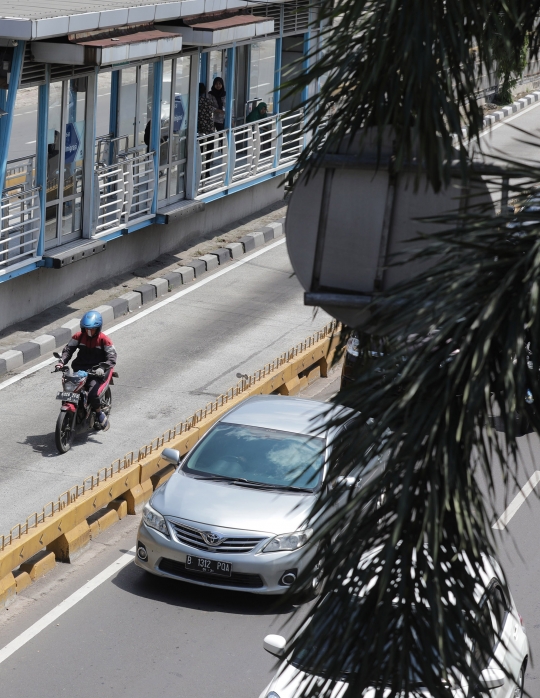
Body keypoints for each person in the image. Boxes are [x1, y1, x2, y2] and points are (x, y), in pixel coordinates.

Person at [55, 310, 117, 431]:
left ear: (98, 328)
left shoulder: (104, 340)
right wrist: (61, 362)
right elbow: (68, 350)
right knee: (69, 389)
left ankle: (99, 413)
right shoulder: (78, 337)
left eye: (92, 329)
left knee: (93, 394)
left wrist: (102, 367)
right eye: (86, 329)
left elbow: (112, 357)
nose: (89, 332)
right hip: (80, 370)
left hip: (97, 372)